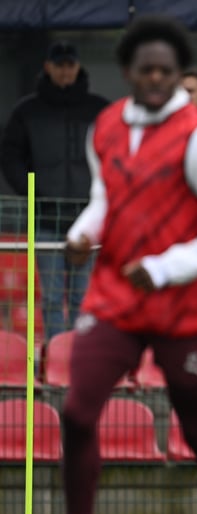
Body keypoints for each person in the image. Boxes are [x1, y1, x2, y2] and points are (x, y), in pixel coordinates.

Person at [53, 16, 197, 514]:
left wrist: (167, 267)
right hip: (116, 297)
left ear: (179, 74)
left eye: (167, 71)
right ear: (128, 71)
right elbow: (105, 198)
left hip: (185, 307)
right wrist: (84, 232)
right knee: (76, 412)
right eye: (146, 70)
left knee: (196, 427)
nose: (156, 79)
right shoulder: (106, 126)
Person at [0, 40, 108, 341]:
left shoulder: (99, 110)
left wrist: (104, 193)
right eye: (59, 64)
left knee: (81, 296)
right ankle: (54, 357)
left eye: (69, 64)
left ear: (77, 67)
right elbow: (10, 156)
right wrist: (31, 191)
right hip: (45, 217)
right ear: (47, 67)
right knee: (49, 296)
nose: (65, 71)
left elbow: (116, 154)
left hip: (87, 218)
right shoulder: (27, 110)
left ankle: (76, 358)